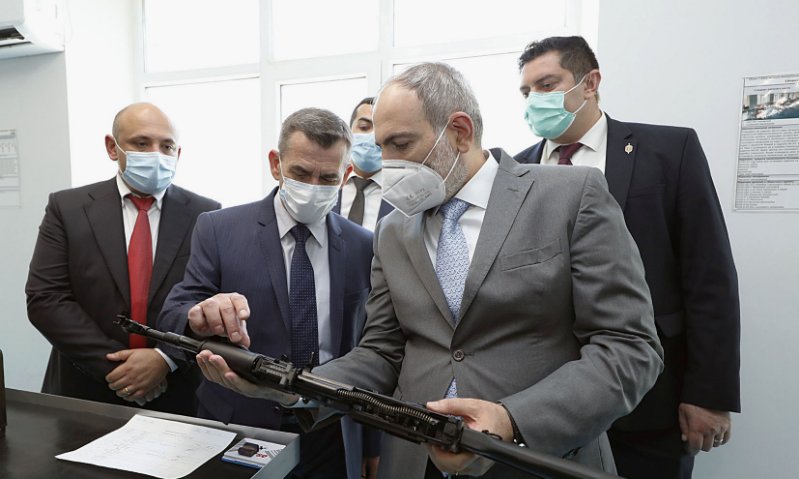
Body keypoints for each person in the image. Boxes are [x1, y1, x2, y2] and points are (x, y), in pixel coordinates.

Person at [188, 62, 664, 479]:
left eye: (401, 143)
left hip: (538, 457)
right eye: (380, 147)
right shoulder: (394, 231)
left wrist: (511, 419)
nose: (387, 164)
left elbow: (629, 348)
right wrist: (288, 386)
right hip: (416, 462)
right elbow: (381, 353)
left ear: (459, 131)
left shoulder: (569, 196)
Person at [514, 36, 740, 479]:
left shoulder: (668, 152)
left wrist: (708, 394)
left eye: (546, 85)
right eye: (526, 93)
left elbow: (708, 277)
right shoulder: (517, 171)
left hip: (650, 399)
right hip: (541, 399)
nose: (534, 101)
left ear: (589, 82)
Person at [157, 107, 376, 479]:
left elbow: (372, 349)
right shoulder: (219, 229)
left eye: (328, 177)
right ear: (276, 164)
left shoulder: (363, 245)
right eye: (301, 173)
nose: (313, 186)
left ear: (347, 174)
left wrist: (370, 443)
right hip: (238, 423)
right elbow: (173, 314)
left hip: (330, 430)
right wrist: (199, 316)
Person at [25, 102, 221, 415]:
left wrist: (164, 358)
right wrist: (121, 368)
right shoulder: (68, 208)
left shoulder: (206, 213)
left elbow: (209, 301)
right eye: (141, 143)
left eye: (166, 146)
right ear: (112, 148)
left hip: (178, 392)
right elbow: (46, 299)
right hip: (85, 389)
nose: (156, 154)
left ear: (178, 154)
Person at [335, 97, 393, 231]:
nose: (372, 137)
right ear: (349, 131)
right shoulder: (326, 182)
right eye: (364, 127)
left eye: (382, 130)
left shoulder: (403, 194)